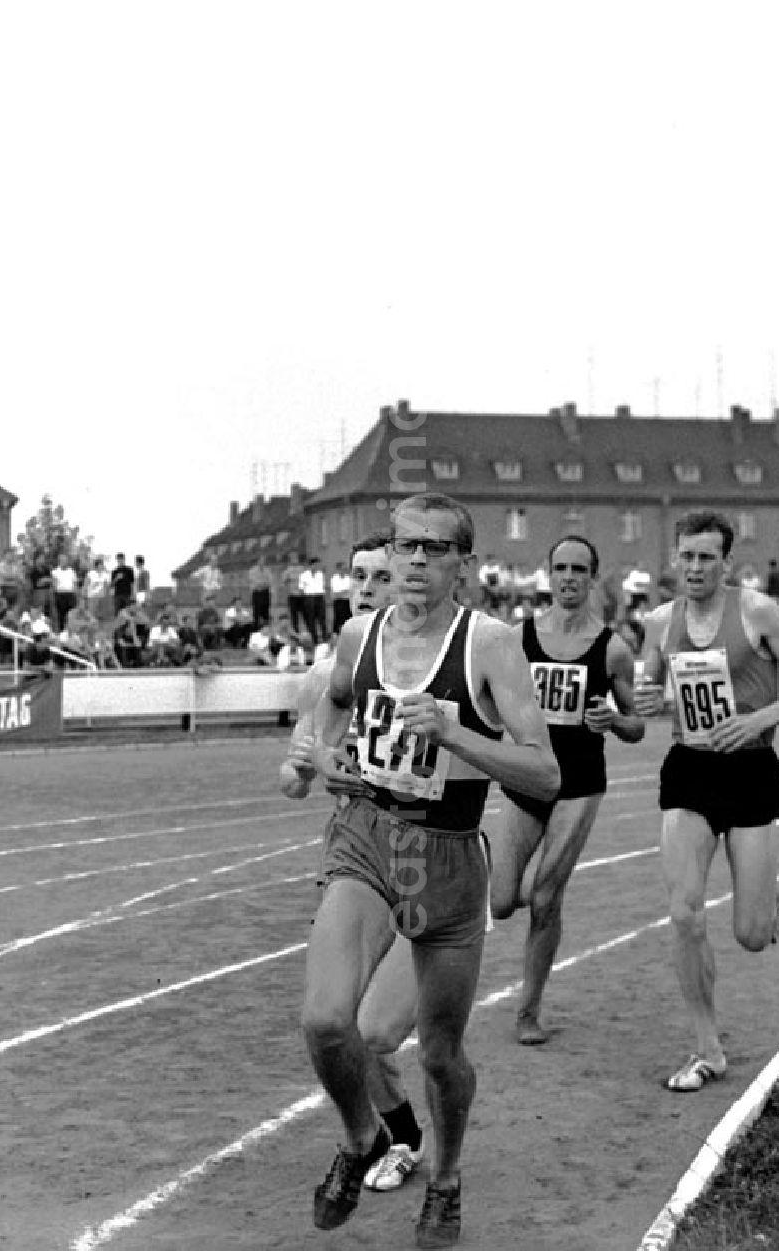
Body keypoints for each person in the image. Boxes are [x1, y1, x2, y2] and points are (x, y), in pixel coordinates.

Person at [303, 492, 559, 1247]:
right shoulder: (359, 633)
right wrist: (324, 754)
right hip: (369, 837)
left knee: (441, 1058)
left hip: (447, 856)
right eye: (406, 546)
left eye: (434, 549)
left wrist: (456, 734)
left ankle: (445, 1179)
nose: (416, 561)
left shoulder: (490, 645)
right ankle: (361, 1142)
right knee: (325, 1021)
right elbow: (335, 704)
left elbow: (542, 773)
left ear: (463, 563)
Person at [634, 510, 779, 1093]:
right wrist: (644, 706)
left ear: (726, 563)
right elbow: (656, 698)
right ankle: (706, 1047)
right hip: (690, 770)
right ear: (674, 559)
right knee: (684, 912)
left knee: (750, 933)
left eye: (705, 558)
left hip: (751, 770)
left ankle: (767, 901)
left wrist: (757, 721)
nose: (694, 568)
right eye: (686, 556)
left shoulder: (757, 612)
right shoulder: (657, 623)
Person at [281, 532, 427, 1196]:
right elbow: (297, 766)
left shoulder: (441, 658)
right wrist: (307, 765)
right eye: (357, 577)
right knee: (348, 1022)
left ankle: (407, 1135)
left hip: (428, 856)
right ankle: (400, 1137)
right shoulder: (331, 669)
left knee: (388, 1025)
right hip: (355, 853)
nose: (365, 589)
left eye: (379, 578)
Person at [488, 534, 645, 1045]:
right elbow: (491, 700)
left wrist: (613, 720)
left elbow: (638, 725)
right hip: (527, 776)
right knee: (502, 901)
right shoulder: (518, 639)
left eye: (580, 568)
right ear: (548, 575)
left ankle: (528, 1012)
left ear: (592, 577)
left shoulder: (613, 649)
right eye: (561, 568)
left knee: (547, 899)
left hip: (579, 783)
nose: (569, 577)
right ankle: (499, 863)